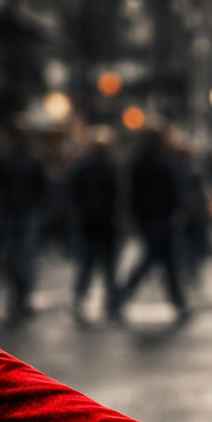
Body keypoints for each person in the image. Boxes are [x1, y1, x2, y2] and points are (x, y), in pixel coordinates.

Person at [119, 129, 189, 321]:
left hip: (148, 218)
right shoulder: (163, 161)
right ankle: (178, 303)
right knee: (158, 261)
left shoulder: (138, 160)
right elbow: (172, 189)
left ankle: (178, 303)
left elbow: (131, 192)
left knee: (161, 261)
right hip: (160, 218)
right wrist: (177, 211)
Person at [0, 121, 49, 320]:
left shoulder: (34, 159)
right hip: (10, 213)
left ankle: (23, 295)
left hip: (28, 213)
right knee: (12, 257)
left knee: (25, 257)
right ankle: (16, 295)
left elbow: (42, 187)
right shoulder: (3, 159)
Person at [68, 126, 122, 323]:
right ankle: (108, 301)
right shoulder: (109, 166)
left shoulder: (90, 166)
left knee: (94, 263)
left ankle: (97, 299)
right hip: (98, 221)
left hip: (95, 220)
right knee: (101, 263)